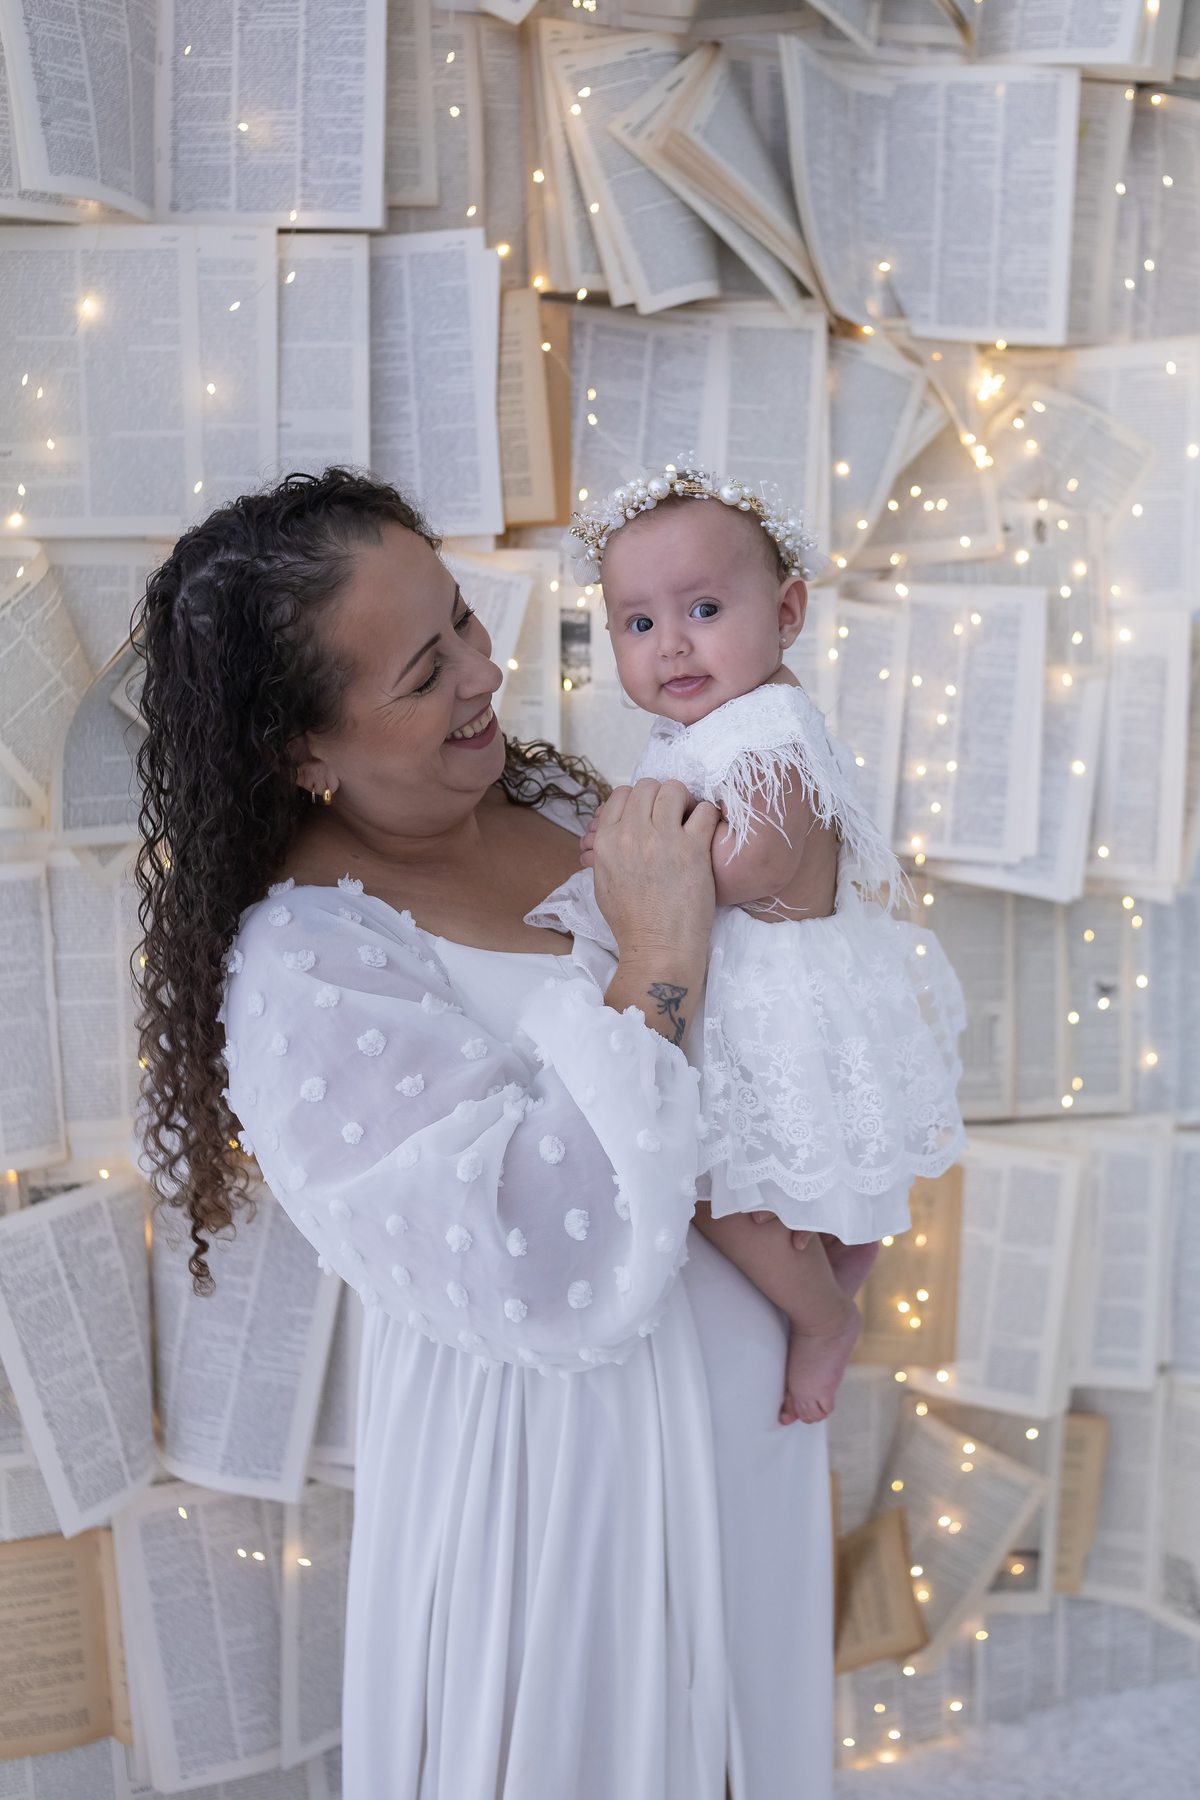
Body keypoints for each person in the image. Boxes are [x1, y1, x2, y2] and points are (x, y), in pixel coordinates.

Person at [134, 468, 838, 1800]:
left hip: (745, 1426)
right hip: (555, 1484)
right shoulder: (309, 966)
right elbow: (530, 1255)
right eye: (420, 672)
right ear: (304, 750)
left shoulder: (562, 805)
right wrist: (662, 946)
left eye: (461, 619)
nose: (481, 671)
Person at [533, 462, 966, 1426]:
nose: (671, 643)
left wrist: (639, 862)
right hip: (755, 984)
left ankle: (821, 1318)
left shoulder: (766, 724)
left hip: (767, 997)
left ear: (788, 611)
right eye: (639, 624)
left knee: (717, 1190)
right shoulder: (708, 721)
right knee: (785, 1172)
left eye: (704, 608)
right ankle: (843, 1258)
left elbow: (759, 858)